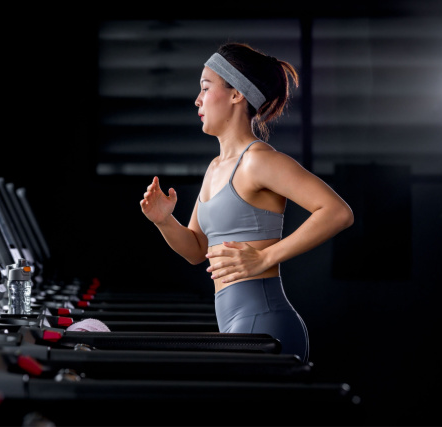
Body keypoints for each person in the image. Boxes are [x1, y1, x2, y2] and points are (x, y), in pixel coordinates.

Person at [139, 42, 353, 362]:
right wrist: (164, 221)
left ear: (237, 94)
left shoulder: (258, 161)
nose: (197, 99)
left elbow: (338, 212)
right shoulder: (214, 168)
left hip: (266, 324)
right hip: (236, 325)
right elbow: (197, 250)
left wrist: (265, 259)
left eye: (206, 87)